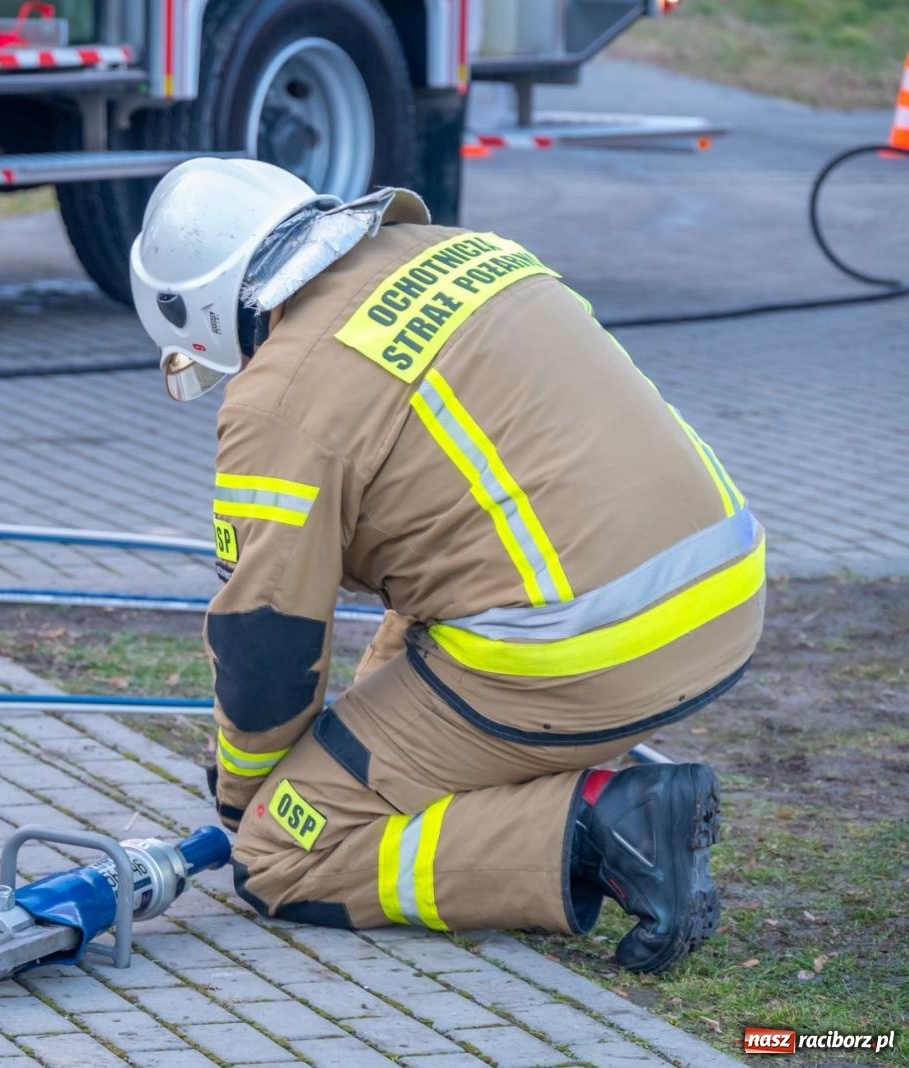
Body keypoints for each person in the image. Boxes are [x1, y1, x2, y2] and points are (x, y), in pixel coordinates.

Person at [128, 158, 764, 973]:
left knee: (281, 849)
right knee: (390, 695)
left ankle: (608, 822)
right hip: (727, 592)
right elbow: (458, 544)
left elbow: (267, 645)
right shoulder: (461, 250)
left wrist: (250, 794)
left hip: (582, 648)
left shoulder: (277, 401)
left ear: (202, 314)